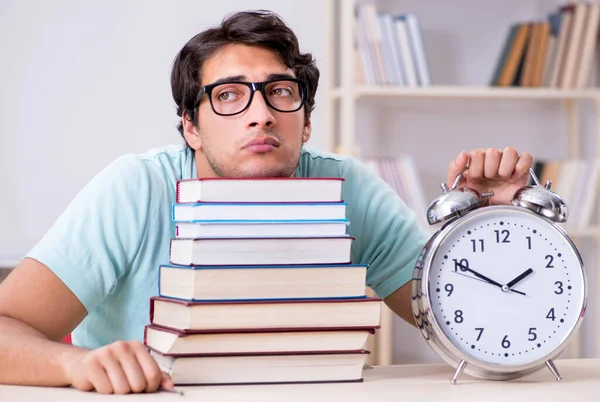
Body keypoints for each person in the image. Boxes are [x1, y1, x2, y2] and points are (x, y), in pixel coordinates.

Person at [0, 10, 533, 394]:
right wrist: (75, 365)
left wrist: (494, 228)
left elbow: (469, 328)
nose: (261, 114)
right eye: (228, 95)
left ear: (305, 123)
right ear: (190, 127)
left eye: (280, 91)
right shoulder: (135, 189)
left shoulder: (349, 189)